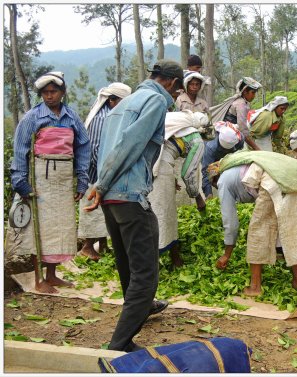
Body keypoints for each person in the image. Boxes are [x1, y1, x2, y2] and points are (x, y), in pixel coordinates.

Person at [84, 59, 184, 352]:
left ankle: (143, 307)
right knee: (146, 275)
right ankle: (120, 344)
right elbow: (130, 144)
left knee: (127, 263)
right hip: (128, 193)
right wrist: (101, 186)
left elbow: (106, 149)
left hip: (112, 197)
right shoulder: (154, 100)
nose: (175, 98)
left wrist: (101, 186)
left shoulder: (122, 105)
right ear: (172, 83)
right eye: (177, 92)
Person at [8, 71, 90, 294]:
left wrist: (82, 180)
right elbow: (20, 151)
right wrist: (21, 181)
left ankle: (52, 275)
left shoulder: (71, 117)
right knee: (40, 229)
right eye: (45, 92)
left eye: (53, 91)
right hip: (40, 179)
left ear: (62, 93)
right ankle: (38, 278)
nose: (49, 96)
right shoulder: (32, 118)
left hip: (63, 179)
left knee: (60, 227)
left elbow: (83, 147)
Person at [209, 151, 297, 296]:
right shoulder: (243, 163)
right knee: (292, 230)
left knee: (258, 232)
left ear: (215, 178)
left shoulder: (223, 181)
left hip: (273, 182)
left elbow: (230, 222)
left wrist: (227, 254)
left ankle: (255, 287)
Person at [78, 82, 132, 261]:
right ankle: (87, 246)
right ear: (111, 100)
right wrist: (104, 173)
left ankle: (102, 244)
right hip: (95, 171)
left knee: (103, 209)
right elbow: (95, 147)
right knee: (93, 207)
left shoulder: (113, 114)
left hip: (104, 169)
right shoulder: (102, 118)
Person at [149, 110, 208, 267]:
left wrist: (171, 177)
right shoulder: (196, 140)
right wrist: (197, 197)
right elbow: (188, 172)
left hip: (149, 165)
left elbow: (164, 151)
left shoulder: (176, 129)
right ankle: (152, 264)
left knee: (152, 212)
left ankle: (173, 258)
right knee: (163, 215)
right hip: (160, 169)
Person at [210, 77, 262, 151]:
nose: (254, 96)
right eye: (253, 93)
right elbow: (243, 130)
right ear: (245, 92)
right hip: (227, 138)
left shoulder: (241, 102)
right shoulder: (241, 104)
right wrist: (256, 148)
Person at [201, 121, 245, 199]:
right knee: (213, 176)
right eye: (224, 150)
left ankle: (233, 193)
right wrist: (209, 194)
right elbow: (206, 171)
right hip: (213, 155)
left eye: (228, 150)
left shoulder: (239, 139)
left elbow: (240, 159)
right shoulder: (211, 147)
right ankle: (219, 190)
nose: (226, 151)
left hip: (232, 156)